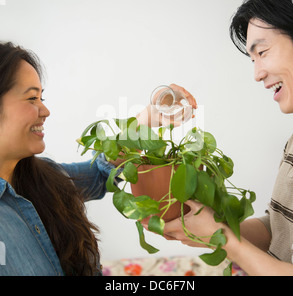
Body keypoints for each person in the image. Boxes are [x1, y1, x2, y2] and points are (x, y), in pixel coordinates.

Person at [0, 41, 197, 276]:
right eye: (32, 98)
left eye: (42, 98)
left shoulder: (43, 177)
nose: (45, 111)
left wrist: (149, 117)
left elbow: (102, 173)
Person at [163, 0, 293, 276]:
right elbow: (277, 230)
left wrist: (225, 239)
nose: (257, 74)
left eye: (262, 53)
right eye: (252, 59)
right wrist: (210, 229)